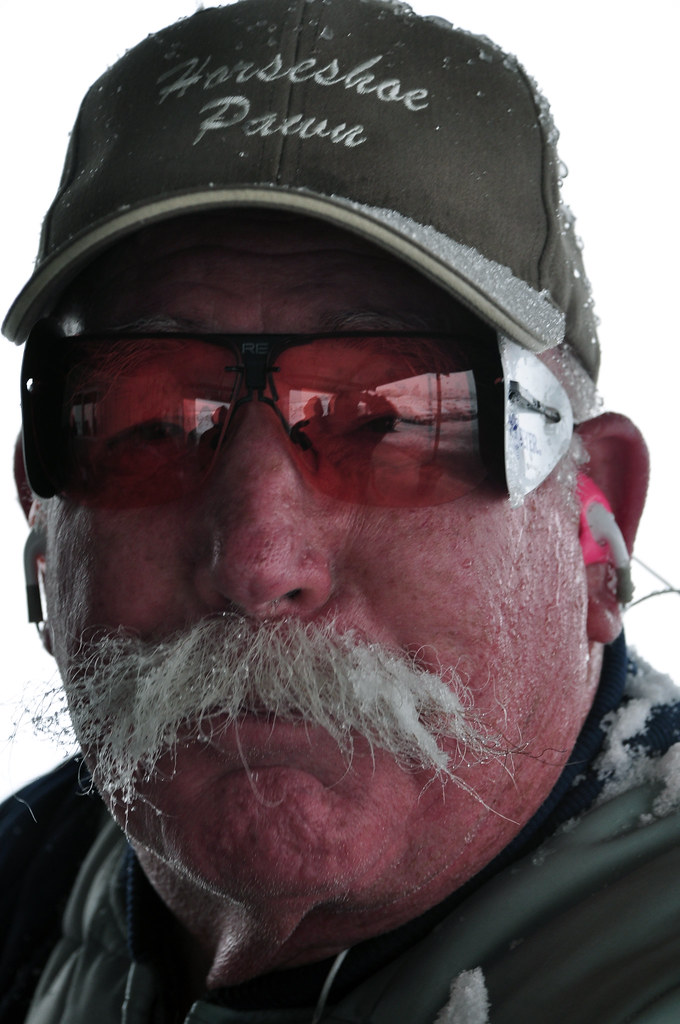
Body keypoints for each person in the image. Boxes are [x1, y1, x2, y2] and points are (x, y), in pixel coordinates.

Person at [2, 2, 680, 1021]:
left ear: (593, 530)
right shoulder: (28, 888)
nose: (260, 560)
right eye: (151, 419)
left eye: (389, 420)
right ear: (47, 539)